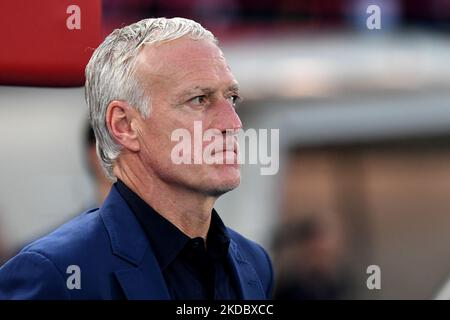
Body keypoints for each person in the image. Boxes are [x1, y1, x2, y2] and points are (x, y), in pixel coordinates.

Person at [0, 17, 273, 300]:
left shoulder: (255, 263)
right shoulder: (54, 273)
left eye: (232, 98)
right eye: (199, 99)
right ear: (124, 126)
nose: (233, 123)